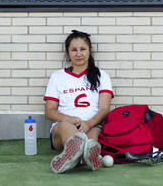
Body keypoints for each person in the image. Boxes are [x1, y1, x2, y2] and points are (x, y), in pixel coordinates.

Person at [44, 30, 113, 173]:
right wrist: (70, 120)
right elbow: (49, 111)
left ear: (90, 50)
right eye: (74, 50)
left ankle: (78, 158)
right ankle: (82, 157)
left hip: (93, 124)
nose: (78, 53)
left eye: (83, 49)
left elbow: (104, 109)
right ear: (68, 52)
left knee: (91, 142)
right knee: (69, 131)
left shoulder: (102, 75)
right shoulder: (57, 76)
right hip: (63, 127)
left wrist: (88, 123)